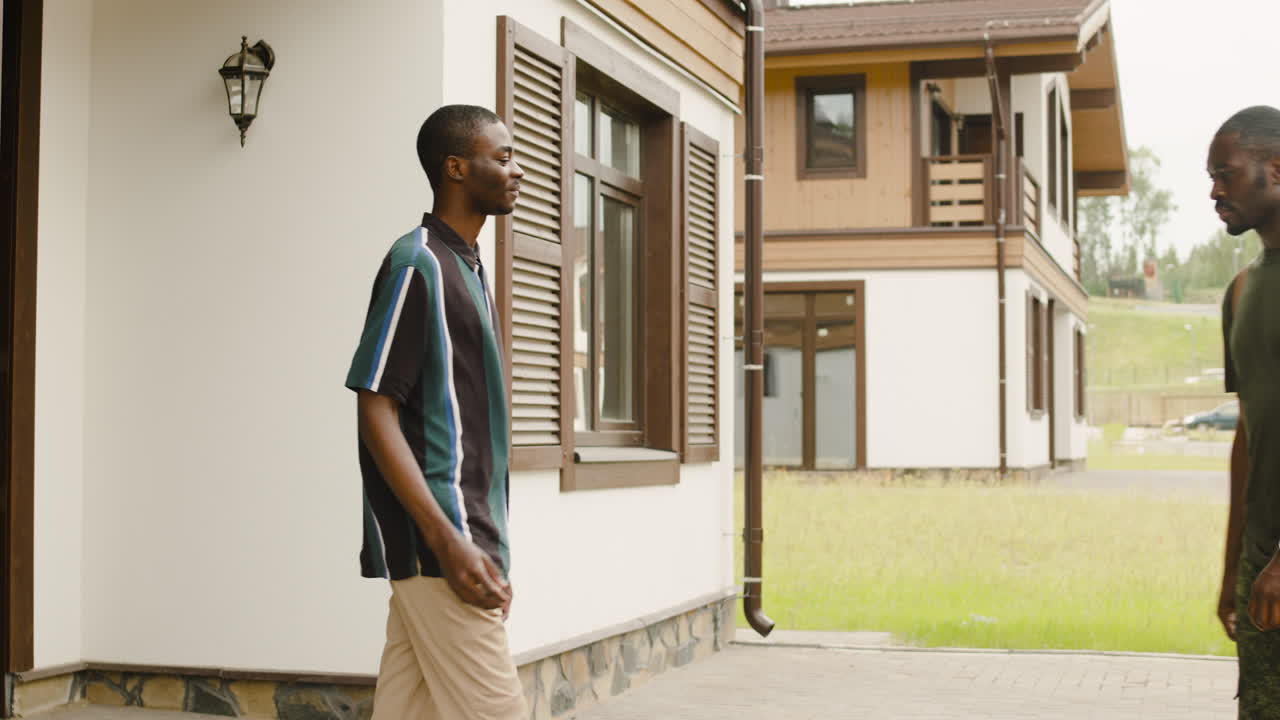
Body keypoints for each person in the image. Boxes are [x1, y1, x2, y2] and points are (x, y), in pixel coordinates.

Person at [345, 104, 526, 720]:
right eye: (502, 157)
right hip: (440, 544)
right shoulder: (416, 263)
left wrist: (483, 544)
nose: (516, 170)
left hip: (462, 538)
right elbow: (376, 409)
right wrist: (449, 541)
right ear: (456, 168)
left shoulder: (467, 265)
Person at [1213, 105, 1280, 718]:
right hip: (1261, 572)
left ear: (1276, 169)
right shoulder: (1238, 291)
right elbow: (1248, 434)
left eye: (1226, 173)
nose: (1214, 189)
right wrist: (1236, 564)